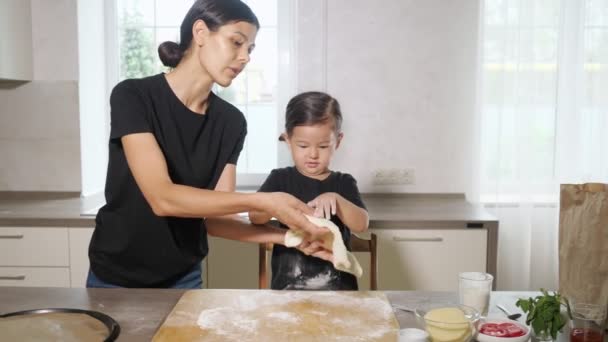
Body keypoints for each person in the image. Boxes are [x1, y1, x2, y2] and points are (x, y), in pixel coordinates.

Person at [87, 0, 330, 289]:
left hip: (184, 277)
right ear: (200, 32)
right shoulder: (134, 96)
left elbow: (217, 221)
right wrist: (264, 200)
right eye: (236, 42)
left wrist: (290, 238)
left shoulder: (231, 122)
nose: (245, 58)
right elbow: (162, 198)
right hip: (114, 276)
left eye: (250, 49)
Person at [249, 91, 370, 290]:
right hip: (287, 292)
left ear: (337, 141)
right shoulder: (280, 179)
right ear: (288, 140)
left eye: (323, 146)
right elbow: (255, 217)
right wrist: (274, 204)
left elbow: (361, 224)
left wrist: (337, 200)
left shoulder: (343, 183)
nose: (313, 154)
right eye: (303, 145)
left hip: (340, 295)